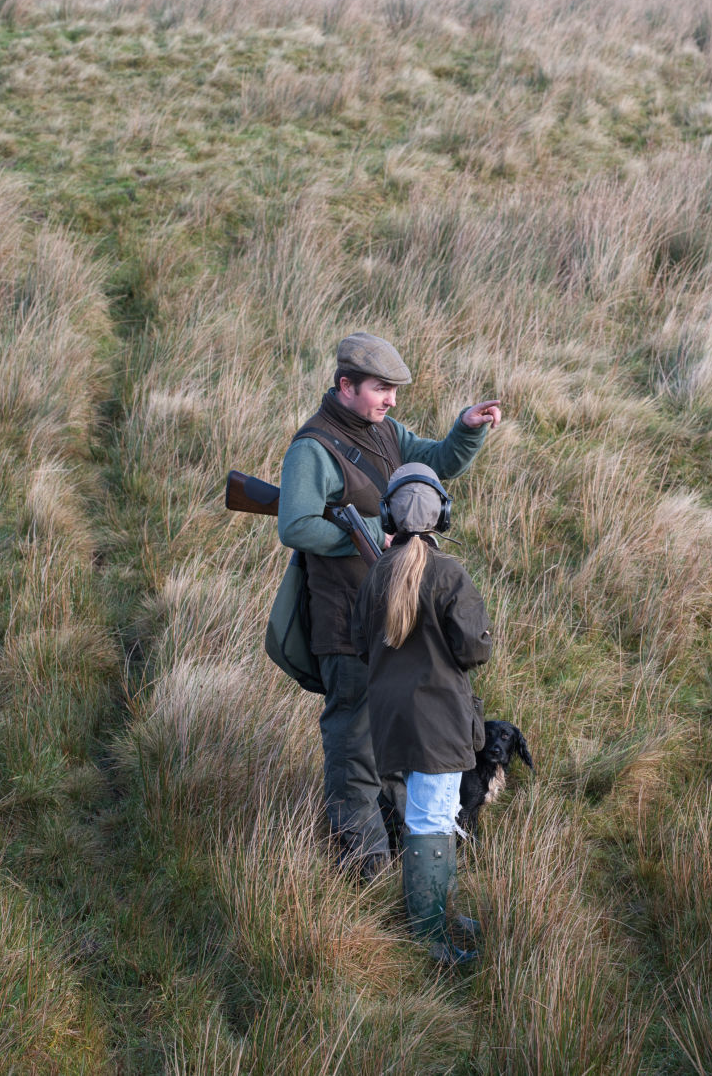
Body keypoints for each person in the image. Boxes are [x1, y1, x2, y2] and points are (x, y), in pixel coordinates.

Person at [278, 331, 500, 880]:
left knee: (394, 748)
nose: (392, 400)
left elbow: (437, 463)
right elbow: (295, 523)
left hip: (390, 623)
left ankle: (410, 867)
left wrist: (466, 431)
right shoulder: (313, 448)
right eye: (382, 388)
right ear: (346, 385)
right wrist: (375, 529)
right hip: (344, 624)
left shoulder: (385, 431)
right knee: (354, 754)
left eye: (394, 390)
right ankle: (366, 872)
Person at [351, 463, 493, 963]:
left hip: (392, 719)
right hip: (440, 720)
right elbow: (475, 650)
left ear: (389, 514)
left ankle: (443, 910)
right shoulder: (449, 573)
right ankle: (430, 938)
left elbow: (359, 646)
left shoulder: (375, 576)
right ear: (441, 515)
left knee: (435, 814)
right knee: (431, 818)